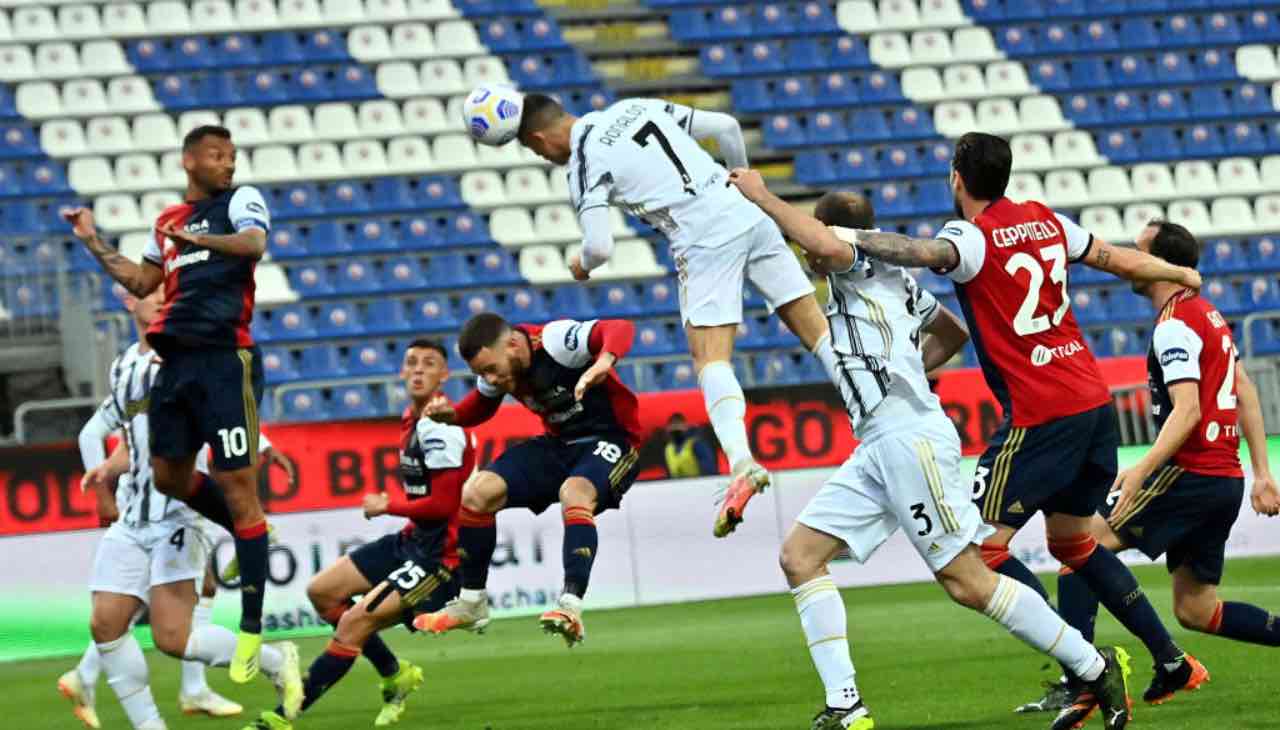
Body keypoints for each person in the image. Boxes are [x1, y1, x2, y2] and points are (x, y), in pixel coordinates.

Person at [779, 132, 1204, 730]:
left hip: (1041, 415)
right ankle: (1165, 660)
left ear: (958, 178)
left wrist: (838, 235)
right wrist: (1179, 272)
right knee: (1074, 545)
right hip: (1092, 404)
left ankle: (1085, 667)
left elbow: (919, 253)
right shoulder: (1046, 221)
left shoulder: (968, 239)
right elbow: (1116, 258)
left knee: (978, 560)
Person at [728, 179, 1133, 730]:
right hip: (879, 442)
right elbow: (953, 331)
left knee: (968, 581)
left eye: (811, 244)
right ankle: (846, 705)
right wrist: (911, 369)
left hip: (909, 440)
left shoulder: (851, 260)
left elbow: (825, 247)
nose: (809, 256)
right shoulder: (891, 281)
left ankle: (1093, 665)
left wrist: (759, 194)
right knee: (800, 556)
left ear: (834, 233)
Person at [514, 93, 838, 538]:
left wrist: (581, 265)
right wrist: (746, 187)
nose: (545, 158)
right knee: (817, 332)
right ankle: (877, 406)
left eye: (537, 151)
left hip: (702, 238)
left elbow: (599, 247)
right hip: (748, 211)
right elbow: (725, 127)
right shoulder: (635, 107)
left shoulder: (584, 158)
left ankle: (742, 463)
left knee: (711, 360)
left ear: (539, 138)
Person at [64, 124, 276, 682]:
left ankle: (252, 628)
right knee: (168, 478)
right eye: (216, 155)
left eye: (232, 155)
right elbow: (140, 282)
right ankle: (246, 527)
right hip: (175, 366)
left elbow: (254, 244)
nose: (228, 163)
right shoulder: (166, 223)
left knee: (238, 487)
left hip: (225, 360)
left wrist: (202, 243)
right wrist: (91, 239)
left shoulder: (240, 202)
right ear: (189, 161)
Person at [55, 287, 301, 730]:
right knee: (106, 624)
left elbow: (219, 413)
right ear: (131, 303)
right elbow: (123, 428)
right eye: (151, 294)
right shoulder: (124, 366)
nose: (161, 302)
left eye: (166, 296)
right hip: (133, 516)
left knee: (173, 638)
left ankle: (272, 661)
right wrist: (107, 477)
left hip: (178, 514)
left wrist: (263, 444)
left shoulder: (189, 361)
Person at [1056, 220, 1280, 703]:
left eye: (1138, 250)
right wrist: (1261, 474)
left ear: (1162, 264)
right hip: (1224, 479)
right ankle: (1170, 665)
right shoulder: (1210, 315)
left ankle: (1082, 683)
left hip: (1190, 471)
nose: (1129, 259)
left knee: (1077, 548)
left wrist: (1141, 468)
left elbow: (1189, 409)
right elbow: (1244, 390)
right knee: (1197, 610)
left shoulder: (1175, 324)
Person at [243, 339, 473, 730]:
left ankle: (283, 717)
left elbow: (444, 506)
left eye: (429, 364)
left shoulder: (442, 429)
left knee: (352, 623)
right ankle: (394, 673)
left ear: (444, 376)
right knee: (322, 592)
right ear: (401, 371)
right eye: (412, 363)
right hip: (413, 541)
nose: (418, 370)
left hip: (443, 559)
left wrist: (388, 505)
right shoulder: (410, 418)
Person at [413, 313, 640, 646]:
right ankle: (472, 602)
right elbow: (482, 406)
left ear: (512, 344)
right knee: (477, 494)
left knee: (574, 493)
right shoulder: (498, 369)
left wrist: (604, 361)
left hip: (613, 440)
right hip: (559, 444)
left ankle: (570, 606)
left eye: (491, 369)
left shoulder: (556, 342)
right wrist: (454, 416)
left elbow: (619, 327)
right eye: (481, 374)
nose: (490, 379)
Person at [662, 413, 718, 478]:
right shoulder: (668, 449)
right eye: (673, 426)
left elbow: (709, 469)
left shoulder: (697, 444)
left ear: (686, 426)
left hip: (698, 484)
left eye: (678, 425)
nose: (675, 428)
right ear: (668, 429)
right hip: (677, 486)